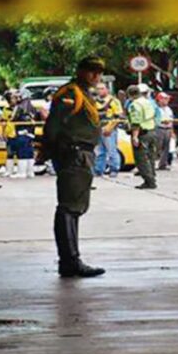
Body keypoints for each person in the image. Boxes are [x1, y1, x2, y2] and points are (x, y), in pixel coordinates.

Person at [43, 56, 108, 278]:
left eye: (98, 72)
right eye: (91, 71)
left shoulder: (84, 93)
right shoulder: (69, 93)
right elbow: (53, 125)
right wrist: (49, 151)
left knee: (75, 207)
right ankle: (70, 261)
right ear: (80, 70)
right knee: (69, 208)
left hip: (82, 154)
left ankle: (71, 259)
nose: (95, 76)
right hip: (73, 153)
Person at [127, 84, 158, 189]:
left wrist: (135, 136)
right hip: (152, 131)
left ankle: (149, 181)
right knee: (151, 157)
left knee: (141, 158)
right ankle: (152, 177)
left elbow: (136, 122)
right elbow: (155, 115)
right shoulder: (148, 102)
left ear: (130, 95)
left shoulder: (135, 105)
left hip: (142, 133)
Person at [93, 82, 123, 177]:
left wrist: (110, 128)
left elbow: (118, 116)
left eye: (102, 88)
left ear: (107, 90)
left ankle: (114, 169)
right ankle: (98, 170)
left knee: (112, 150)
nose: (99, 91)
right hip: (98, 128)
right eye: (97, 89)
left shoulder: (113, 101)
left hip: (109, 128)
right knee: (99, 151)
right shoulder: (94, 101)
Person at [11, 90, 41, 178]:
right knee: (29, 152)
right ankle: (30, 172)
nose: (16, 99)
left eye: (17, 97)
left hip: (21, 132)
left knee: (22, 152)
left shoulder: (19, 107)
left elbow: (13, 118)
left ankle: (21, 173)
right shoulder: (32, 108)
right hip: (30, 133)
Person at [155, 92, 175, 171]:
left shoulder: (169, 109)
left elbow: (172, 120)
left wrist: (172, 131)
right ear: (160, 100)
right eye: (165, 99)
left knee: (166, 147)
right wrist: (162, 122)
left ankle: (163, 164)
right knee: (157, 147)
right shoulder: (156, 109)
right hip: (159, 128)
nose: (167, 100)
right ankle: (154, 163)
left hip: (168, 129)